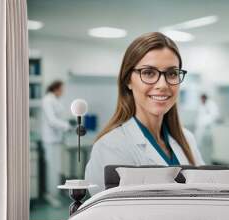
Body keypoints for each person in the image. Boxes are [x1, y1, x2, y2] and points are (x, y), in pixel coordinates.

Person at [85, 32, 204, 195]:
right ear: (128, 80)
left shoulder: (187, 139)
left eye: (172, 73)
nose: (162, 85)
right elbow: (110, 216)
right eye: (149, 73)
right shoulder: (110, 147)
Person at [41, 80, 71, 207]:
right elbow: (52, 120)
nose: (63, 92)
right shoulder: (48, 100)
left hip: (56, 139)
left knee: (56, 169)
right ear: (56, 88)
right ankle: (50, 195)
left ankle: (55, 193)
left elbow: (59, 117)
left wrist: (66, 125)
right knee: (52, 170)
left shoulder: (54, 100)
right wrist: (67, 126)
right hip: (50, 140)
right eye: (62, 89)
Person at [194, 94, 220, 163]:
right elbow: (199, 116)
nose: (201, 100)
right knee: (199, 146)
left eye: (202, 99)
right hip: (200, 128)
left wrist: (205, 122)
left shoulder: (211, 104)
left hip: (209, 128)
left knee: (209, 148)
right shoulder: (201, 105)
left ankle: (209, 159)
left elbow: (214, 115)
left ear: (205, 98)